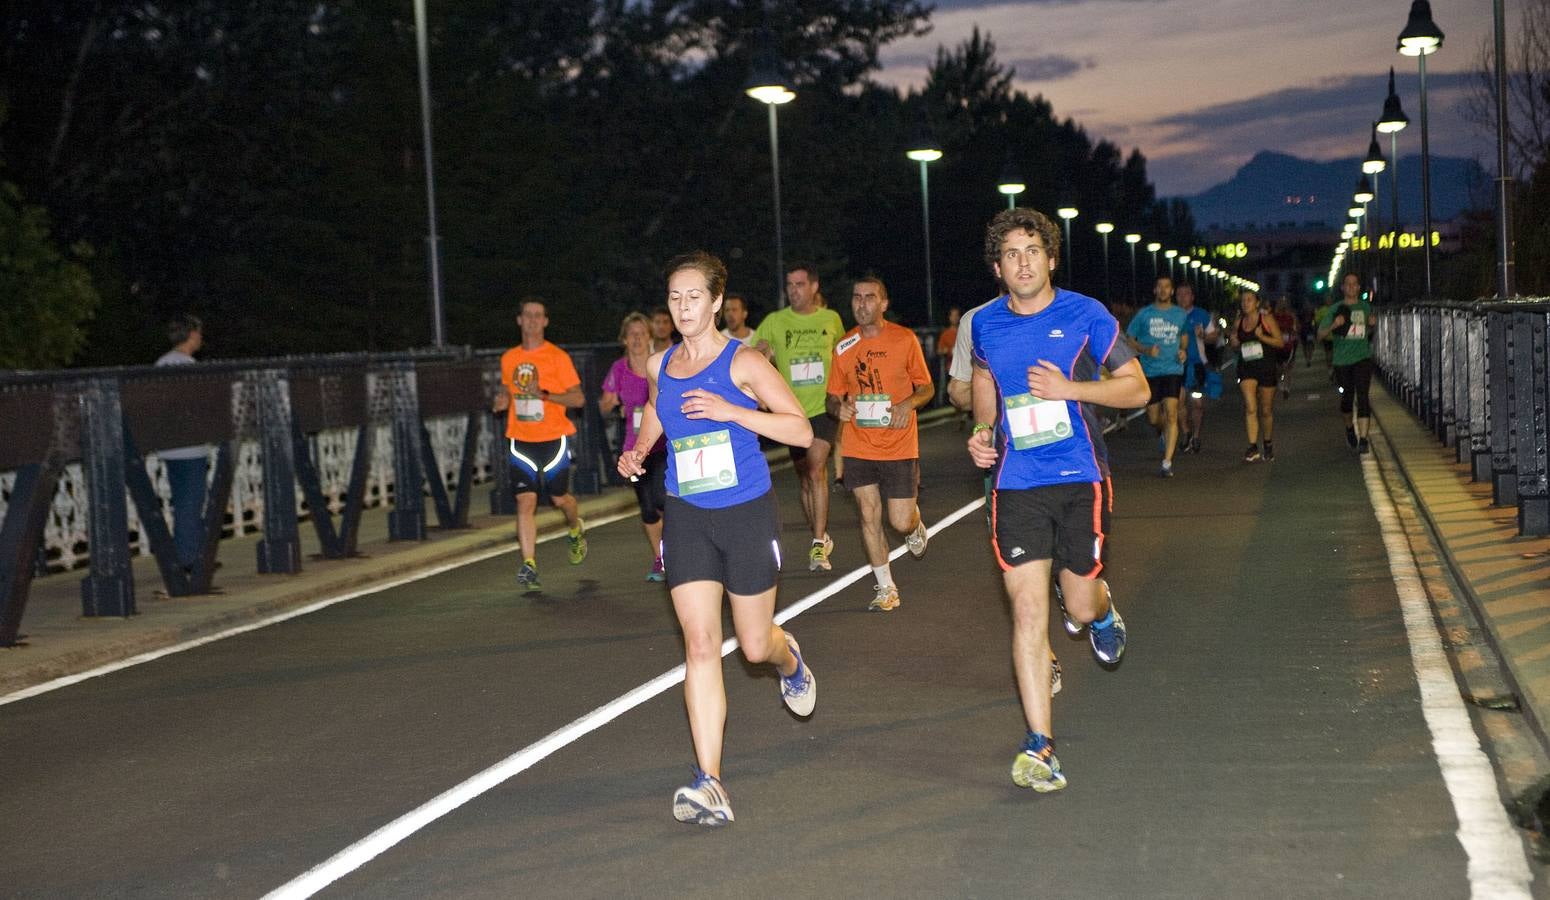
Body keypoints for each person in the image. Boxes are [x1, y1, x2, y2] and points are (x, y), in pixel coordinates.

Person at [618, 251, 816, 827]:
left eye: (693, 297)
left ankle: (791, 661)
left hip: (746, 512)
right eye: (674, 298)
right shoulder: (660, 365)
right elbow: (660, 411)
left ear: (714, 301)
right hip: (687, 517)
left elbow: (800, 429)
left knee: (754, 647)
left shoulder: (744, 362)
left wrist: (734, 410)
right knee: (700, 645)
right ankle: (710, 781)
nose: (682, 308)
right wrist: (640, 449)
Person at [966, 208, 1149, 792]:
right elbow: (984, 383)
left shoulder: (1084, 314)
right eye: (1011, 254)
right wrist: (982, 432)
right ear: (998, 267)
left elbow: (1137, 387)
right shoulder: (986, 326)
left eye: (1032, 250)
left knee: (1079, 602)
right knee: (1025, 612)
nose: (1023, 262)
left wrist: (1071, 388)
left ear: (1051, 258)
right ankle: (1041, 746)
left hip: (1079, 478)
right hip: (1017, 483)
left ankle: (1101, 609)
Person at [826, 275, 934, 612]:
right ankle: (886, 587)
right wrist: (838, 407)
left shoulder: (904, 339)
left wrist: (908, 405)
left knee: (898, 521)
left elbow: (926, 387)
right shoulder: (844, 345)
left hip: (899, 445)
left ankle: (915, 524)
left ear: (883, 303)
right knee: (868, 514)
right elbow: (831, 396)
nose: (861, 304)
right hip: (860, 444)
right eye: (856, 297)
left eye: (869, 297)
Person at [753, 263, 846, 571]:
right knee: (806, 478)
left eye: (800, 284)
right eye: (790, 285)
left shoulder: (830, 319)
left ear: (814, 287)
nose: (794, 290)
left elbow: (843, 357)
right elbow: (759, 356)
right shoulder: (774, 322)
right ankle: (819, 535)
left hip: (823, 407)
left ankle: (818, 544)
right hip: (791, 412)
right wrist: (761, 382)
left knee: (817, 468)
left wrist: (845, 394)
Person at [495, 298, 589, 593]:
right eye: (527, 315)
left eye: (538, 316)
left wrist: (546, 395)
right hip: (520, 441)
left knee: (560, 499)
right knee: (526, 501)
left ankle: (576, 528)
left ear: (545, 322)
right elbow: (506, 389)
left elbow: (578, 399)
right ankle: (529, 564)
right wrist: (502, 400)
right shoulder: (509, 358)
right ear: (519, 320)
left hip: (553, 441)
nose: (533, 320)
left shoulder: (557, 357)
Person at [599, 312, 667, 581]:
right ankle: (660, 558)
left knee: (664, 500)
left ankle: (677, 548)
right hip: (635, 451)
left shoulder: (660, 365)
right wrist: (609, 403)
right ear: (624, 340)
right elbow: (604, 404)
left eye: (642, 333)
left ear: (650, 336)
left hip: (662, 445)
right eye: (632, 334)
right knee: (648, 507)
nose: (637, 338)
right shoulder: (618, 369)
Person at [155, 314, 210, 575]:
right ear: (191, 335)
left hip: (169, 445)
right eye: (198, 333)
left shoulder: (161, 364)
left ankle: (190, 551)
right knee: (192, 501)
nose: (201, 337)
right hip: (191, 446)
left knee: (182, 501)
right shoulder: (190, 367)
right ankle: (189, 556)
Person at [1125, 276, 1189, 477]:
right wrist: (1145, 349)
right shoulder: (1144, 314)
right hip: (1150, 371)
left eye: (1167, 287)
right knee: (1153, 417)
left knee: (1172, 412)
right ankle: (1163, 432)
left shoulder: (1180, 314)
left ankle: (1167, 463)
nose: (1163, 290)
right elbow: (1129, 339)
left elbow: (1184, 338)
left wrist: (1182, 351)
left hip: (1173, 369)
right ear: (1155, 290)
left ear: (1171, 291)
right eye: (1159, 287)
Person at [1319, 272, 1376, 454]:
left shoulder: (1365, 307)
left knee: (1363, 396)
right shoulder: (1335, 308)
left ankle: (1364, 439)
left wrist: (1372, 324)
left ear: (1359, 287)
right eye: (1348, 284)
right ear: (1342, 287)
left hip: (1362, 358)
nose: (1351, 287)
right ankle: (1350, 429)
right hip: (1342, 360)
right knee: (1347, 399)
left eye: (1354, 284)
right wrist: (1334, 325)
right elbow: (1320, 334)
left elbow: (1368, 331)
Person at [1228, 289, 1284, 462]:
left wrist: (1262, 337)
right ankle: (1252, 447)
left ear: (1257, 302)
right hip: (1247, 368)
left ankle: (1267, 443)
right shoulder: (1239, 322)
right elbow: (1235, 344)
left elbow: (1280, 342)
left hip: (1266, 367)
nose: (1245, 303)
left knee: (1266, 410)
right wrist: (1234, 343)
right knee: (1251, 407)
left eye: (1249, 300)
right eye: (1243, 300)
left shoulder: (1266, 319)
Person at [1175, 283, 1219, 455]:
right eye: (1179, 294)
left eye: (1186, 294)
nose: (1182, 297)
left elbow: (1214, 337)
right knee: (1178, 401)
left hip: (1197, 366)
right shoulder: (1171, 315)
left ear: (1192, 297)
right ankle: (1185, 432)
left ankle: (1196, 435)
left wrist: (1204, 336)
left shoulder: (1201, 314)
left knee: (1197, 403)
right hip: (1177, 366)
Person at [1273, 296, 1298, 399]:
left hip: (1289, 345)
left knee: (1288, 368)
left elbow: (1295, 329)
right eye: (1280, 303)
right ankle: (1280, 383)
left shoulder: (1291, 316)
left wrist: (1293, 334)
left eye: (1285, 303)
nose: (1283, 305)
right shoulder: (1273, 317)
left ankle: (1287, 388)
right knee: (1278, 368)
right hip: (1277, 346)